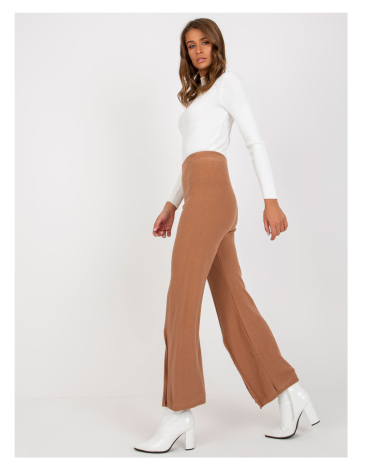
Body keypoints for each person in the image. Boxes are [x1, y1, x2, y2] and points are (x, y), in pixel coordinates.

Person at [134, 18, 320, 454]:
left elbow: (254, 141)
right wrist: (170, 205)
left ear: (217, 46)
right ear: (186, 53)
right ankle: (289, 393)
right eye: (190, 45)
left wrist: (271, 200)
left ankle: (177, 413)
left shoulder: (228, 84)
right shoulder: (196, 99)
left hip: (213, 198)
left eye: (205, 42)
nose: (198, 50)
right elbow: (192, 158)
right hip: (198, 195)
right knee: (235, 307)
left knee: (181, 299)